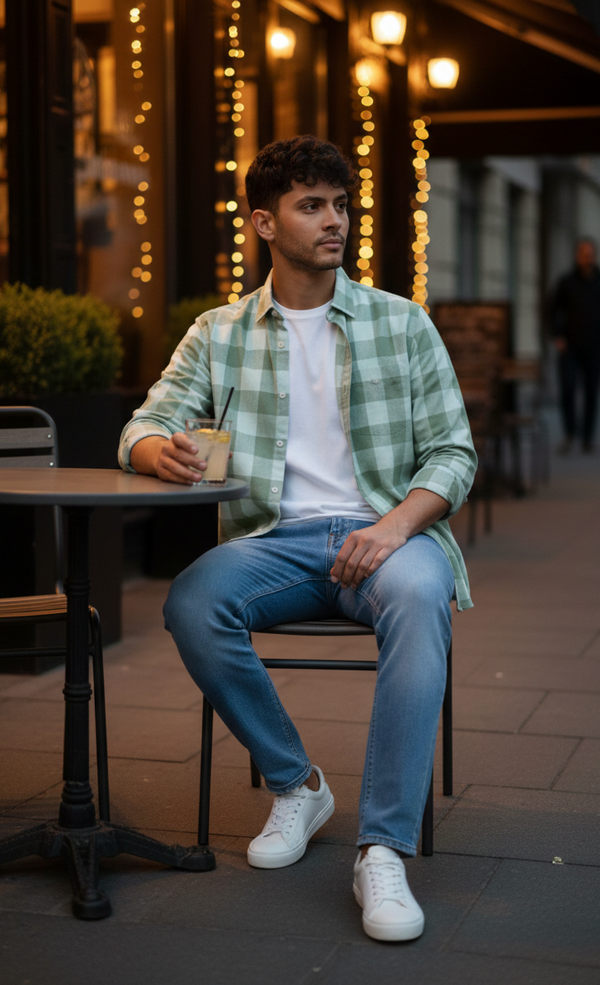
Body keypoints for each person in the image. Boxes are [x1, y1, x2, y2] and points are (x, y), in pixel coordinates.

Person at [119, 135, 476, 943]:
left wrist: (391, 529)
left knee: (423, 594)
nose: (334, 221)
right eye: (311, 205)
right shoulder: (219, 332)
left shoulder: (401, 322)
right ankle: (297, 781)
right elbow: (146, 421)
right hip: (274, 540)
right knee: (193, 597)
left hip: (388, 537)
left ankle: (382, 848)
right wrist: (156, 451)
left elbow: (455, 453)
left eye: (341, 205)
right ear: (263, 223)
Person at [552, 237, 600, 453]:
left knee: (591, 392)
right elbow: (552, 310)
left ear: (594, 256)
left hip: (594, 347)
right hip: (570, 347)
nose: (586, 258)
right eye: (583, 254)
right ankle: (570, 434)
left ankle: (587, 438)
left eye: (589, 254)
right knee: (568, 389)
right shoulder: (566, 282)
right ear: (577, 256)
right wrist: (558, 336)